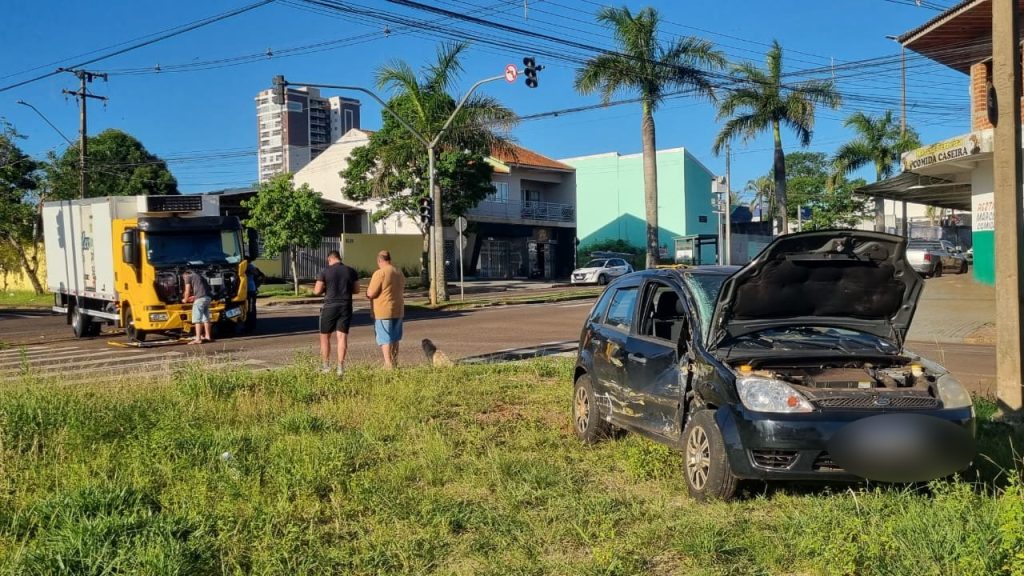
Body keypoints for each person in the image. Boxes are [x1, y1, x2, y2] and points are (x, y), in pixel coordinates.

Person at [313, 250, 359, 376]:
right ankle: (340, 368)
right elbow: (356, 290)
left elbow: (316, 291)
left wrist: (325, 288)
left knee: (324, 337)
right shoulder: (351, 271)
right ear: (339, 258)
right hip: (346, 306)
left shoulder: (325, 271)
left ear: (330, 259)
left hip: (330, 306)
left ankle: (326, 366)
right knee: (342, 337)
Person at [366, 250, 406, 369]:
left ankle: (388, 364)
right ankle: (394, 362)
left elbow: (371, 292)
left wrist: (368, 293)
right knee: (395, 337)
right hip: (398, 309)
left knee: (385, 338)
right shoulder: (399, 272)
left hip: (383, 310)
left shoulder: (380, 273)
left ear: (379, 260)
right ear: (389, 259)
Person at [182, 270, 213, 344]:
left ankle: (198, 338)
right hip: (207, 298)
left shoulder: (187, 276)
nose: (184, 279)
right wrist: (195, 296)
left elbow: (187, 290)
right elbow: (203, 289)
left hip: (200, 299)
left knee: (197, 319)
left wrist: (185, 300)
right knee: (206, 318)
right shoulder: (199, 276)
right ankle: (208, 336)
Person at [244, 261, 265, 333]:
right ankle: (248, 326)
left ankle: (250, 327)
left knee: (250, 309)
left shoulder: (249, 265)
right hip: (244, 290)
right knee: (247, 309)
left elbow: (257, 274)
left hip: (250, 290)